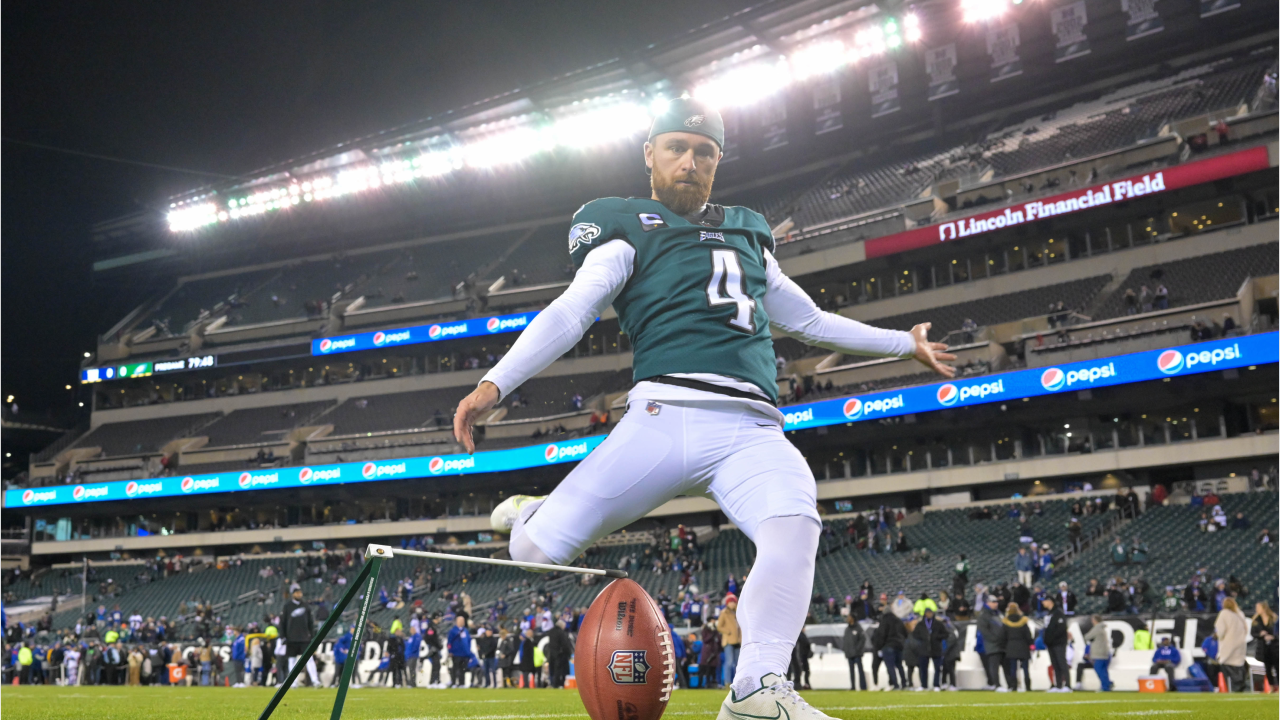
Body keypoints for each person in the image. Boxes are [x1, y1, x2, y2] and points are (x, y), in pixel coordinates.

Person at [461, 97, 955, 720]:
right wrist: (494, 385)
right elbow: (571, 311)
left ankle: (755, 689)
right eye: (676, 148)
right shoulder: (624, 227)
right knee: (534, 553)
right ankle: (535, 513)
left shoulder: (748, 231)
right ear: (649, 156)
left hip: (753, 429)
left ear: (718, 162)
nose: (689, 162)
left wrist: (902, 345)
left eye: (704, 152)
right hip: (666, 417)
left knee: (794, 526)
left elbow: (808, 320)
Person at [871, 607, 906, 689]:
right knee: (899, 666)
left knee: (890, 666)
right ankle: (904, 683)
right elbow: (905, 633)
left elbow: (882, 634)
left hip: (889, 645)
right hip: (899, 645)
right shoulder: (899, 620)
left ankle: (895, 684)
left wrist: (879, 647)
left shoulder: (885, 620)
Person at [912, 608, 946, 691]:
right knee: (923, 669)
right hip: (924, 649)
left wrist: (936, 637)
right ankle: (924, 685)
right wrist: (923, 639)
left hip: (936, 648)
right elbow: (915, 634)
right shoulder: (920, 624)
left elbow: (945, 634)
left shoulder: (938, 624)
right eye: (927, 613)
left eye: (930, 613)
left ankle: (936, 685)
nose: (929, 614)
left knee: (937, 668)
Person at [977, 596, 1006, 690]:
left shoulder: (999, 614)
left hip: (1001, 644)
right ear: (987, 602)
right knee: (993, 666)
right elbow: (984, 631)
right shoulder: (984, 615)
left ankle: (1009, 685)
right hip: (989, 645)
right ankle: (995, 684)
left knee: (1006, 666)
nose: (996, 603)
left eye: (996, 601)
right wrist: (995, 639)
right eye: (993, 602)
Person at [1041, 596, 1070, 692]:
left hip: (1058, 643)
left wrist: (1051, 638)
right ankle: (1058, 685)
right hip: (1051, 644)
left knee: (1062, 663)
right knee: (1055, 664)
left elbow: (1060, 629)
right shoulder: (1049, 613)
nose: (1043, 603)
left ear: (1050, 601)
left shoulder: (1058, 613)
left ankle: (1068, 685)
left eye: (1044, 601)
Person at [1003, 605, 1033, 691]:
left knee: (1013, 669)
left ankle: (1014, 686)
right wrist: (1031, 644)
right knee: (1025, 669)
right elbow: (1028, 635)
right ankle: (1028, 686)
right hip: (1023, 647)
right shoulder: (1023, 621)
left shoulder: (1006, 622)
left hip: (1011, 647)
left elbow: (1003, 636)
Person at [1252, 602, 1279, 691]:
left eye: (1258, 607)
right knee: (1267, 667)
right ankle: (1271, 685)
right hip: (1263, 647)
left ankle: (1278, 685)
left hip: (1275, 647)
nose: (1257, 610)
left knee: (1277, 666)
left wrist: (1273, 637)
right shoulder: (1256, 620)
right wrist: (1260, 635)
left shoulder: (1273, 618)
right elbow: (1253, 633)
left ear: (1264, 608)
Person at [716, 593, 741, 686]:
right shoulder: (724, 613)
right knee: (729, 662)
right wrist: (728, 632)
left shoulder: (738, 612)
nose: (732, 604)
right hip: (728, 641)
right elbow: (719, 626)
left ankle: (736, 682)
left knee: (737, 664)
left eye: (734, 602)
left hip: (738, 641)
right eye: (730, 602)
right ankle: (727, 682)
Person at [1082, 616, 1113, 691]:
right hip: (1105, 652)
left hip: (1099, 653)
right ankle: (1107, 684)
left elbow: (1087, 637)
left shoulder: (1097, 628)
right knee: (1104, 670)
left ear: (1094, 620)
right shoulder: (1102, 628)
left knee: (1099, 669)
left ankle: (1106, 685)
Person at [841, 616, 867, 690]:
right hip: (849, 654)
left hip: (857, 654)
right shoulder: (847, 629)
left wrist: (857, 649)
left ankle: (863, 687)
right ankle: (853, 687)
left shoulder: (858, 628)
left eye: (849, 617)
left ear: (853, 618)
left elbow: (862, 639)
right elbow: (845, 641)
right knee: (851, 672)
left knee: (860, 671)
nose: (847, 619)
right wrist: (846, 650)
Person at [447, 615, 472, 688]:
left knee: (463, 669)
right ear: (457, 621)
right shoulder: (453, 631)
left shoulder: (466, 630)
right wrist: (450, 651)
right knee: (455, 668)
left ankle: (462, 683)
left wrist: (468, 650)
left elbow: (469, 641)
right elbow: (449, 642)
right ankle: (454, 682)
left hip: (465, 653)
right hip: (456, 653)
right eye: (460, 621)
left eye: (463, 621)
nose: (462, 622)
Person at [546, 620, 572, 689]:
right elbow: (565, 644)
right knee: (560, 670)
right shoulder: (561, 632)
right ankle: (560, 684)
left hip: (552, 654)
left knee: (553, 670)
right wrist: (568, 653)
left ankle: (553, 683)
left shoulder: (551, 632)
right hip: (560, 654)